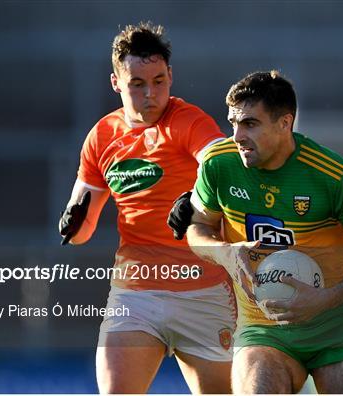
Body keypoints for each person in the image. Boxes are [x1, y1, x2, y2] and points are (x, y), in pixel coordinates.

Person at [182, 70, 343, 393]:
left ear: (284, 123)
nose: (236, 136)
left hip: (333, 324)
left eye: (250, 124)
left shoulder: (333, 176)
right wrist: (226, 252)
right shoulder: (218, 165)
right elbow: (197, 228)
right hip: (263, 326)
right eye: (233, 123)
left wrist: (327, 299)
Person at [58, 22, 235, 394]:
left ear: (171, 75)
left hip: (203, 291)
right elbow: (81, 232)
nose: (151, 94)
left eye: (159, 80)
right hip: (135, 293)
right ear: (116, 83)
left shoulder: (188, 121)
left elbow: (225, 167)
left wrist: (196, 198)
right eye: (137, 84)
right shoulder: (102, 137)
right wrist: (73, 223)